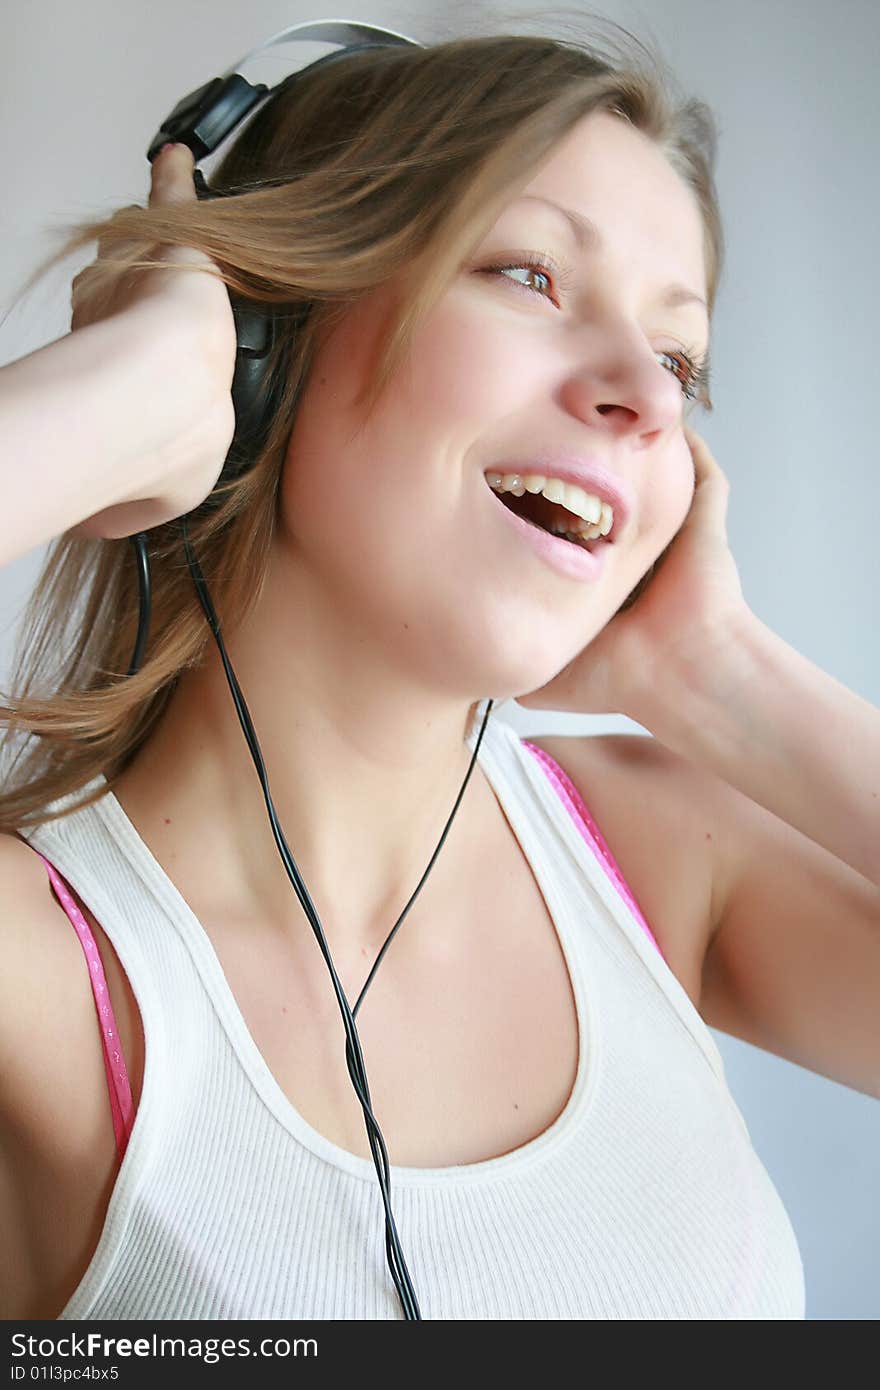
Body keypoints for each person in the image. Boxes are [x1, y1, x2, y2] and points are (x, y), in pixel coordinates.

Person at [0, 25, 836, 1320]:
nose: (647, 398)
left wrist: (719, 676)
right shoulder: (52, 973)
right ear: (265, 341)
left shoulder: (661, 847)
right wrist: (122, 398)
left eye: (678, 357)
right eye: (530, 273)